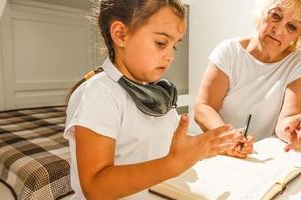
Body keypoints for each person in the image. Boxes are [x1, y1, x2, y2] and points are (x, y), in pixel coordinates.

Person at [64, 0, 240, 199]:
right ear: (120, 34)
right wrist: (174, 164)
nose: (170, 57)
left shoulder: (156, 96)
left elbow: (168, 146)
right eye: (161, 43)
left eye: (174, 47)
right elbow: (95, 187)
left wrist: (210, 146)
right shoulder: (100, 93)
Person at [194, 0, 301, 159]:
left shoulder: (300, 64)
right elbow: (203, 107)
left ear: (300, 34)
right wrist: (229, 140)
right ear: (262, 12)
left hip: (265, 162)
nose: (278, 30)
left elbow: (287, 120)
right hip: (219, 155)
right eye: (275, 16)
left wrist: (299, 126)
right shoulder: (229, 52)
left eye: (292, 27)